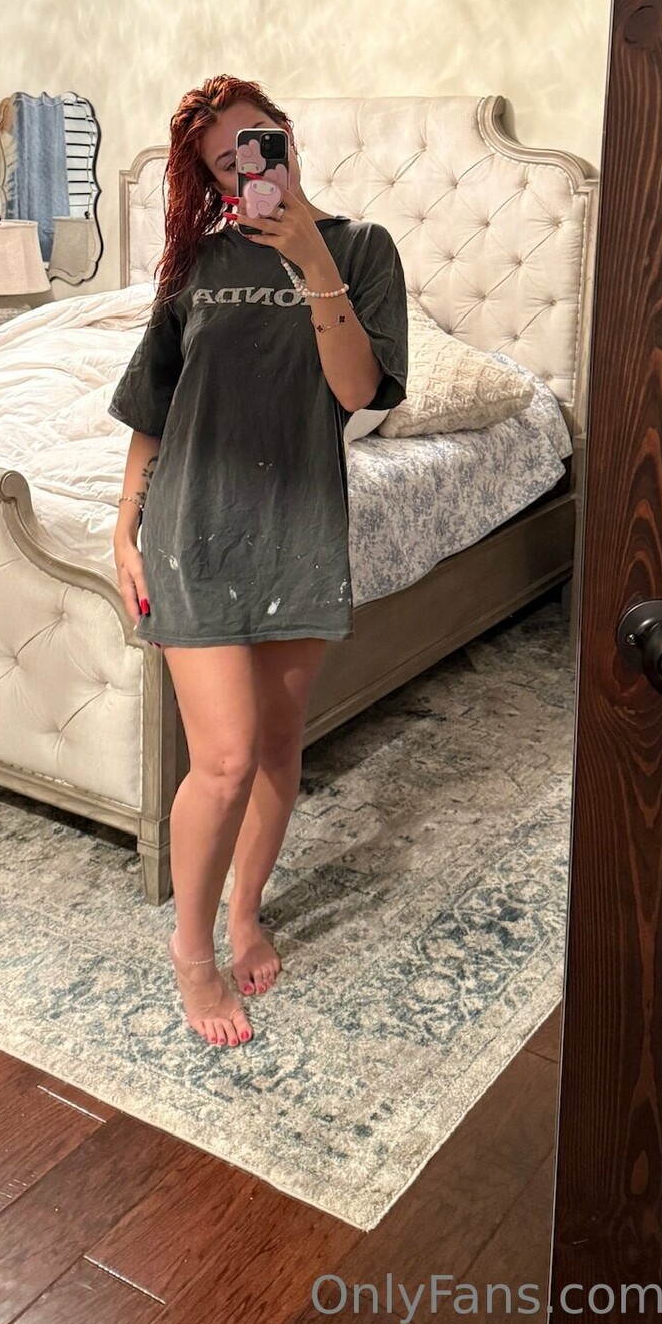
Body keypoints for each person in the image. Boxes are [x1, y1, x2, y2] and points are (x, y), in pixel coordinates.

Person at [109, 76, 407, 1047]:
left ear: (284, 137)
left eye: (256, 142)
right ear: (211, 178)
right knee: (227, 757)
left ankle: (246, 913)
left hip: (298, 526)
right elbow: (156, 404)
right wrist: (123, 527)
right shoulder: (197, 265)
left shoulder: (362, 250)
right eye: (223, 160)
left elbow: (356, 390)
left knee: (278, 746)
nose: (247, 166)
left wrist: (313, 257)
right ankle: (191, 950)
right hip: (193, 526)